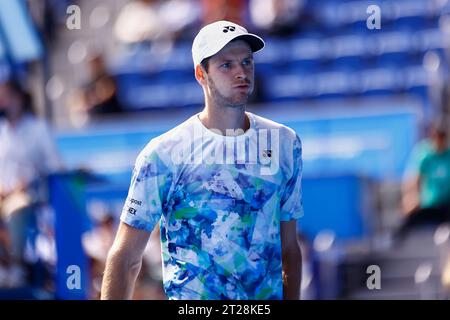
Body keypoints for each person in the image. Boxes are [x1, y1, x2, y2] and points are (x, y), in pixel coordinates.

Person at [101, 20, 304, 300]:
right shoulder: (164, 153)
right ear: (201, 74)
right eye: (226, 65)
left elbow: (289, 248)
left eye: (247, 62)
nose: (241, 72)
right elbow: (126, 256)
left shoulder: (284, 142)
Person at [0, 79, 62, 273]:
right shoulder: (2, 131)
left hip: (31, 196)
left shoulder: (38, 129)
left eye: (6, 97)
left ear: (19, 99)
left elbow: (55, 166)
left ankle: (17, 268)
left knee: (16, 208)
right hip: (3, 195)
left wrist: (28, 182)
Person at [399, 119, 450, 237]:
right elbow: (413, 178)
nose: (439, 140)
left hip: (447, 204)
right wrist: (412, 197)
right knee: (407, 220)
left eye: (442, 136)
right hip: (429, 204)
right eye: (437, 136)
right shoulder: (424, 154)